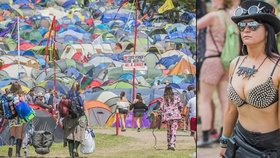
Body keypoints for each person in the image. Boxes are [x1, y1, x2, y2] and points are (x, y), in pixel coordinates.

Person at [220, 0, 280, 157]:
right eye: (241, 26)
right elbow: (231, 109)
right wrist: (224, 141)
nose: (245, 30)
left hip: (271, 147)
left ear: (268, 30)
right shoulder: (236, 63)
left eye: (252, 25)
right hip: (239, 141)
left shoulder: (278, 67)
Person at [197, 0, 235, 147]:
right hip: (226, 61)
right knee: (224, 100)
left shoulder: (213, 16)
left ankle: (206, 136)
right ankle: (224, 134)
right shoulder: (230, 17)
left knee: (205, 99)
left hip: (211, 60)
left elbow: (196, 25)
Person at [62, 82, 87, 158]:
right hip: (78, 118)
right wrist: (87, 119)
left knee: (70, 137)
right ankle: (75, 149)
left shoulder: (68, 94)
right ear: (79, 87)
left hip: (69, 118)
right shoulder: (81, 95)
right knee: (79, 135)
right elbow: (85, 108)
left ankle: (70, 154)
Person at [155, 86, 182, 151]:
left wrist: (158, 114)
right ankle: (172, 144)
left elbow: (161, 108)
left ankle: (169, 145)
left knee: (169, 130)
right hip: (175, 115)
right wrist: (178, 111)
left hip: (167, 116)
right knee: (174, 130)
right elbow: (180, 106)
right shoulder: (177, 97)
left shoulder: (163, 98)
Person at [7, 82, 25, 157]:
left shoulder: (8, 96)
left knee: (12, 134)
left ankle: (10, 146)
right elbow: (24, 106)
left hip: (11, 117)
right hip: (19, 117)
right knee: (19, 135)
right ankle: (17, 153)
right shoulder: (20, 96)